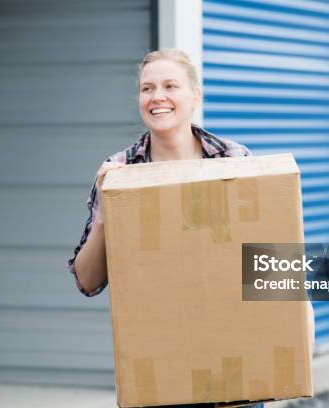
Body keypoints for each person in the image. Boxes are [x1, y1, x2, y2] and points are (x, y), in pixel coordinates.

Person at [67, 48, 262, 408]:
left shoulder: (234, 161)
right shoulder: (119, 170)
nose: (157, 97)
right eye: (147, 88)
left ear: (195, 96)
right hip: (159, 370)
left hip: (234, 363)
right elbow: (87, 281)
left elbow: (267, 260)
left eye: (170, 85)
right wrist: (109, 213)